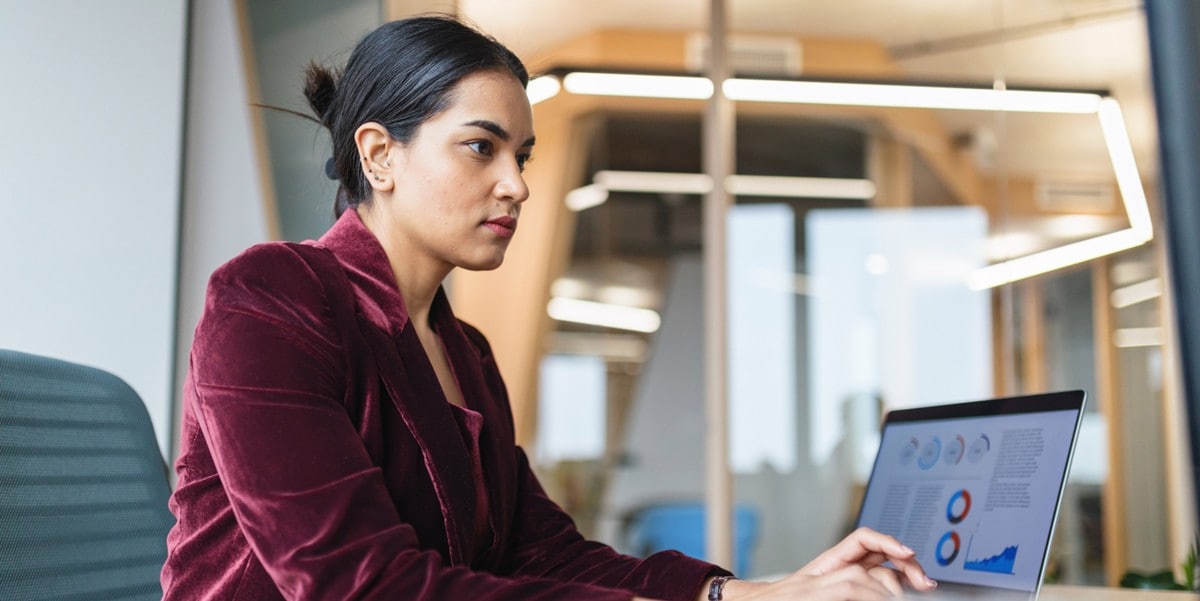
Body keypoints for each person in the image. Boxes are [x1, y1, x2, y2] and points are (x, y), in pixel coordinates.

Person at [161, 14, 937, 601]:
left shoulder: (463, 350)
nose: (517, 184)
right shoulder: (268, 300)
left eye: (522, 156)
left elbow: (543, 551)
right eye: (480, 147)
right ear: (379, 154)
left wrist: (744, 591)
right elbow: (362, 585)